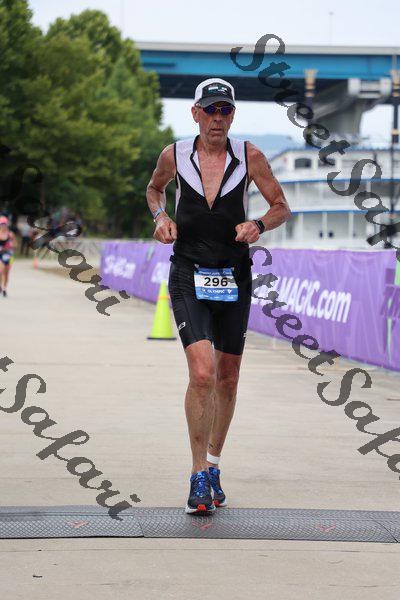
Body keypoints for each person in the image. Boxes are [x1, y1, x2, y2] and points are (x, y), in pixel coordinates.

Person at [146, 78, 291, 514]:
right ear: (195, 113)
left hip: (234, 276)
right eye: (210, 110)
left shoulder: (250, 156)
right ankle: (196, 476)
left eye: (225, 111)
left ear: (233, 116)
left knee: (228, 377)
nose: (217, 119)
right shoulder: (174, 155)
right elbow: (154, 189)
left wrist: (258, 225)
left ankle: (212, 464)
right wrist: (161, 216)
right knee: (203, 373)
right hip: (188, 273)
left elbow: (281, 206)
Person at [0, 216, 16, 297]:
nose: (3, 226)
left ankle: (4, 288)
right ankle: (0, 285)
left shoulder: (10, 234)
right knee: (1, 271)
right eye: (1, 224)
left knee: (6, 273)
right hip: (0, 255)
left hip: (9, 255)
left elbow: (15, 245)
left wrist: (11, 246)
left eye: (4, 224)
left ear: (7, 225)